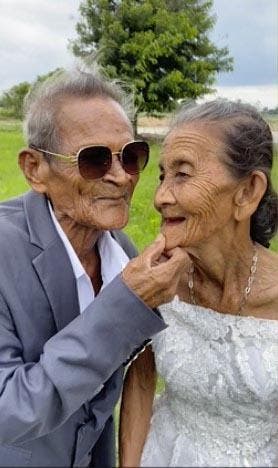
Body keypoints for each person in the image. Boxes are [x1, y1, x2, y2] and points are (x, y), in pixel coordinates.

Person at [0, 67, 187, 467]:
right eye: (95, 159)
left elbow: (100, 409)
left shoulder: (122, 249)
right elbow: (8, 409)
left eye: (132, 155)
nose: (121, 177)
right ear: (35, 169)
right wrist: (124, 304)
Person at [120, 99, 278, 467]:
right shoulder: (159, 278)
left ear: (248, 192)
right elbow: (142, 381)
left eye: (183, 174)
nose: (160, 197)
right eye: (162, 175)